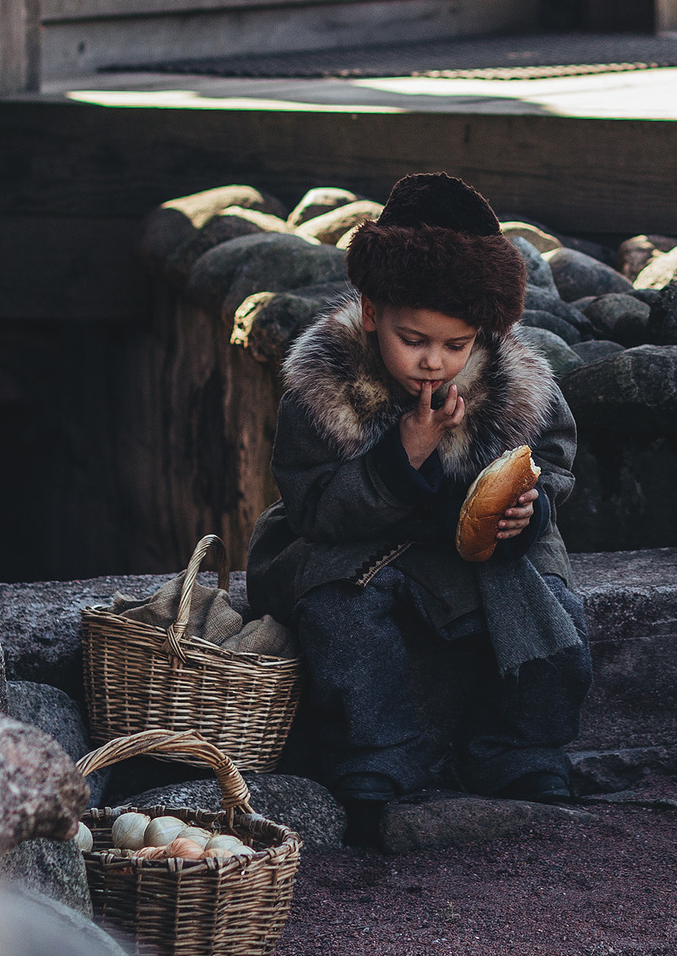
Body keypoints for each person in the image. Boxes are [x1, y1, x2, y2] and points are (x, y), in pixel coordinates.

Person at [244, 172, 589, 849]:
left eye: (455, 345)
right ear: (372, 312)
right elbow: (313, 503)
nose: (434, 362)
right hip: (358, 544)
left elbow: (554, 463)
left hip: (476, 553)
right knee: (341, 617)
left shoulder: (512, 385)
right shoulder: (324, 388)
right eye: (414, 339)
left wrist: (531, 510)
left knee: (554, 615)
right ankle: (379, 752)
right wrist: (399, 459)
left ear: (483, 333)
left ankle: (516, 747)